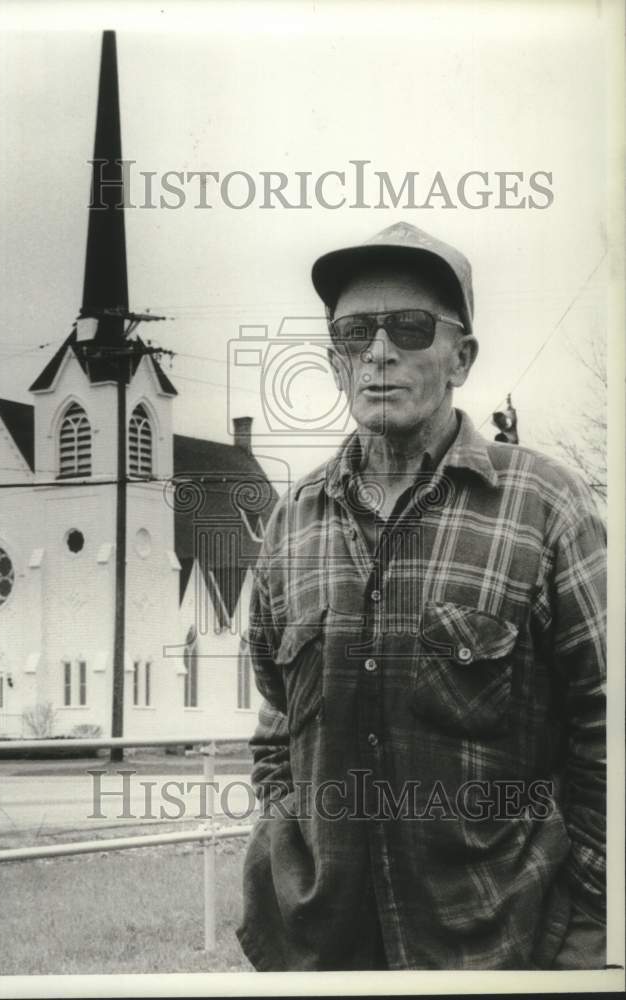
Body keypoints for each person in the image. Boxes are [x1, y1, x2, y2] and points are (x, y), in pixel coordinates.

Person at [236, 222, 606, 971]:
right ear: (335, 360)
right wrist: (279, 845)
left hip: (500, 951)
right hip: (324, 954)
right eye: (353, 333)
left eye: (409, 327)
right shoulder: (290, 523)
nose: (379, 351)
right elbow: (278, 723)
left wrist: (584, 926)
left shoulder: (547, 507)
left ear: (461, 357)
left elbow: (610, 733)